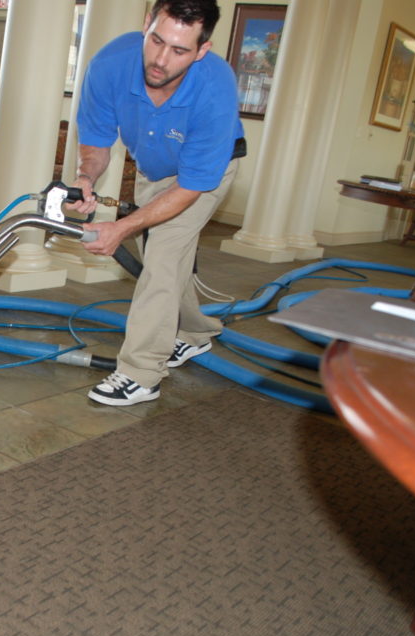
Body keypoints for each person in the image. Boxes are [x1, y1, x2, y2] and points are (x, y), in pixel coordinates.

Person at [70, 0, 245, 406]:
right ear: (147, 23)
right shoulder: (110, 64)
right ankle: (196, 333)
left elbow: (190, 186)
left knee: (163, 254)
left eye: (180, 50)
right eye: (157, 41)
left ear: (203, 49)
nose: (161, 59)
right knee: (167, 259)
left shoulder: (215, 87)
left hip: (205, 172)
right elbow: (96, 145)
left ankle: (141, 373)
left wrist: (122, 228)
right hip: (152, 167)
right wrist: (85, 177)